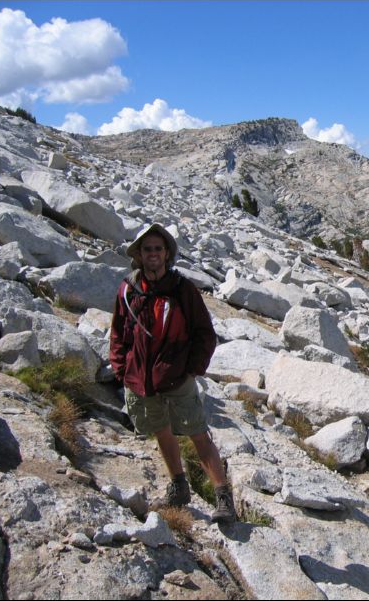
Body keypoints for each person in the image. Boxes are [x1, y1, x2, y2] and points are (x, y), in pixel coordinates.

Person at [109, 223, 236, 523]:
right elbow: (118, 332)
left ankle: (223, 497)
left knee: (197, 433)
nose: (153, 254)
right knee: (160, 429)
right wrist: (120, 367)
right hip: (141, 377)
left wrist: (192, 368)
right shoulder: (128, 289)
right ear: (139, 255)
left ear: (166, 254)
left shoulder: (182, 289)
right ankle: (179, 485)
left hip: (177, 376)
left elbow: (205, 333)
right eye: (147, 249)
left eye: (158, 249)